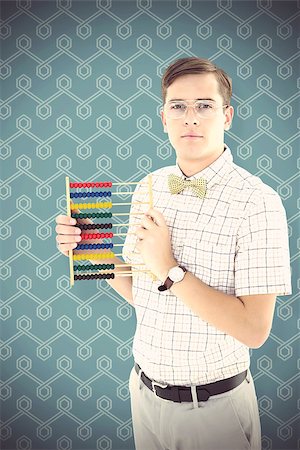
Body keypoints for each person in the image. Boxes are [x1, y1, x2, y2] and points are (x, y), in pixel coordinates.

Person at [55, 57, 292, 450]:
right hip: (143, 395)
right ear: (163, 117)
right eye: (178, 106)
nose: (190, 118)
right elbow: (145, 295)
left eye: (204, 105)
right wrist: (87, 249)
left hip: (213, 411)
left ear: (227, 115)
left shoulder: (259, 202)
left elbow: (254, 331)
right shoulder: (149, 186)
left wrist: (169, 267)